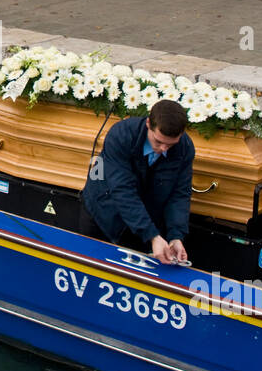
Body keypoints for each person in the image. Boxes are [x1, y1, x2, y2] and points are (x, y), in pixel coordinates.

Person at [79, 99, 193, 265]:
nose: (163, 149)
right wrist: (152, 235)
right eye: (158, 142)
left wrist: (175, 235)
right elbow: (122, 190)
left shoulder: (185, 148)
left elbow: (179, 195)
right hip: (102, 213)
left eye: (170, 145)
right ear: (148, 124)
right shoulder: (121, 134)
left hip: (143, 221)